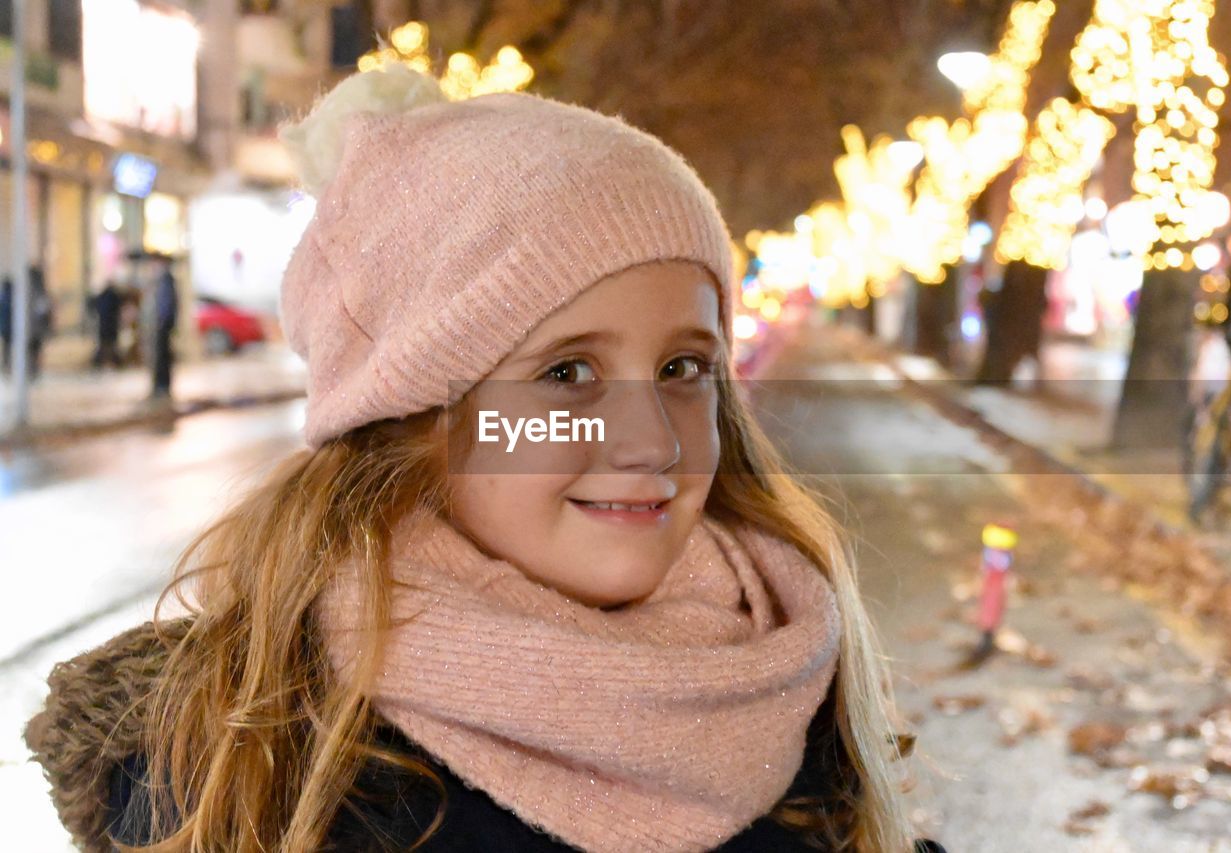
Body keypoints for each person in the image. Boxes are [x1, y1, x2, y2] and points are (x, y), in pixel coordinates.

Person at [25, 63, 944, 853]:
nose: (652, 440)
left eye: (682, 367)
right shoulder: (264, 781)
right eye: (568, 371)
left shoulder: (798, 679)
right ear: (411, 422)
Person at [0, 266, 53, 378]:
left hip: (23, 329)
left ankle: (27, 369)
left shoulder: (21, 293)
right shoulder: (37, 293)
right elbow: (44, 310)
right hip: (30, 329)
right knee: (31, 349)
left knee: (22, 349)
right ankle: (30, 370)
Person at [150, 254, 178, 397]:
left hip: (163, 324)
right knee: (161, 356)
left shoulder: (166, 280)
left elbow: (167, 304)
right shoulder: (161, 280)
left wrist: (164, 322)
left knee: (163, 356)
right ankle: (160, 385)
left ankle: (162, 385)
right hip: (162, 323)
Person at [90, 277, 125, 369]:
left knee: (104, 344)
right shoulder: (114, 296)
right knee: (111, 345)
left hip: (104, 324)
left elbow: (95, 306)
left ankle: (101, 362)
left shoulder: (103, 295)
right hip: (111, 324)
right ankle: (109, 362)